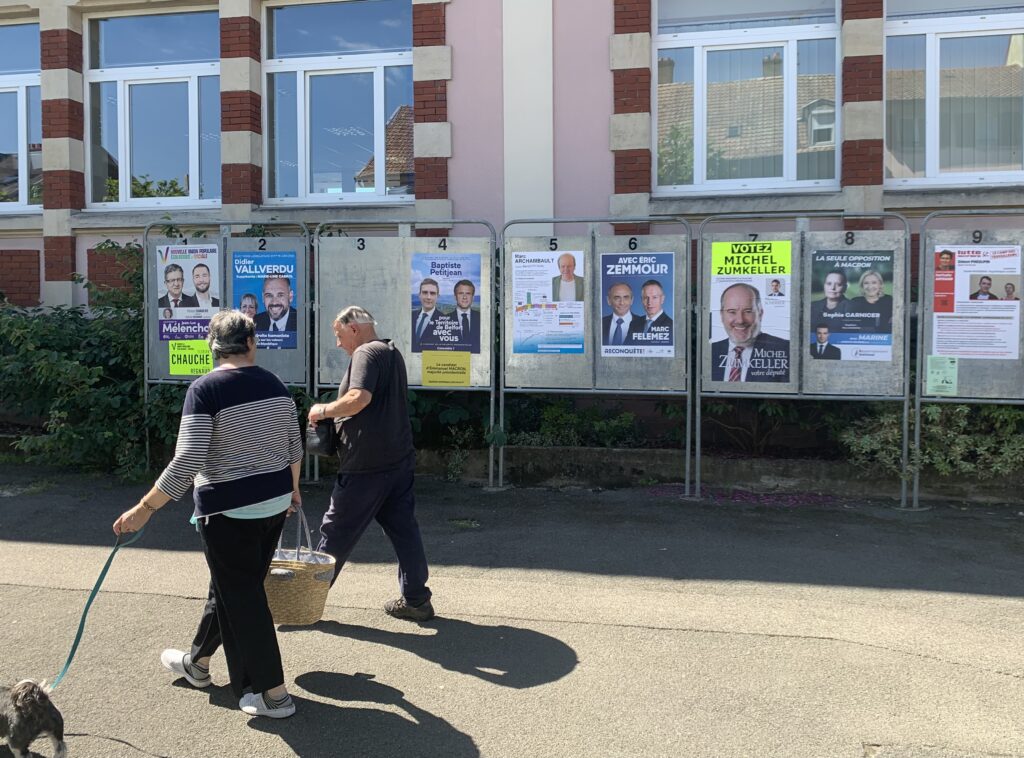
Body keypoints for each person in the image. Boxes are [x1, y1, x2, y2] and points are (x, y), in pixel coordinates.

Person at [112, 310, 303, 719]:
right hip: (274, 504)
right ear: (252, 343)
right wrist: (293, 492)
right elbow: (293, 448)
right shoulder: (276, 385)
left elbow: (187, 462)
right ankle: (198, 663)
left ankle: (272, 693)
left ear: (211, 348)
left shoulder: (204, 390)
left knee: (244, 596)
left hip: (228, 511)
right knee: (234, 586)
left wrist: (144, 510)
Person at [307, 306, 434, 622]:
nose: (338, 344)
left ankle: (306, 602)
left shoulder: (365, 353)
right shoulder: (392, 353)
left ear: (353, 328)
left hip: (367, 465)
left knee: (335, 533)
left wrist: (322, 411)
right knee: (405, 531)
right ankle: (417, 600)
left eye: (339, 335)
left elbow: (359, 398)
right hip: (397, 460)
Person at [710, 283, 789, 383]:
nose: (740, 320)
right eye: (732, 312)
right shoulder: (709, 352)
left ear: (760, 314)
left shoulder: (786, 350)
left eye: (748, 311)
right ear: (721, 315)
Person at [849, 269, 893, 333]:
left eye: (874, 282)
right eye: (866, 283)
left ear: (880, 285)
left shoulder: (889, 300)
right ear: (862, 286)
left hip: (883, 339)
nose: (870, 286)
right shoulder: (855, 302)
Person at [411, 278, 443, 352]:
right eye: (425, 292)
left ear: (438, 296)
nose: (428, 297)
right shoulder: (410, 317)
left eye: (432, 293)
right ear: (419, 295)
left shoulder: (444, 319)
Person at [451, 279, 480, 350]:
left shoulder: (481, 318)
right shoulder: (445, 318)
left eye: (468, 293)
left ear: (473, 297)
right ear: (455, 297)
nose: (464, 297)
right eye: (461, 293)